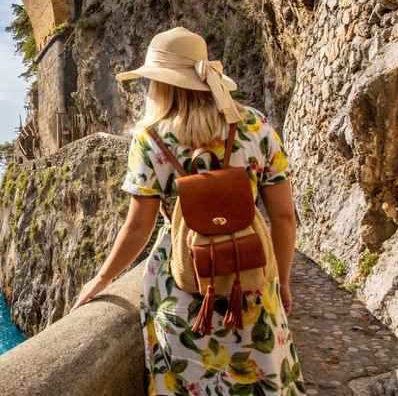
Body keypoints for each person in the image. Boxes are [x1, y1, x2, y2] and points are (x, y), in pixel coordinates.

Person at [69, 27, 305, 395]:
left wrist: (102, 279)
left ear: (161, 84)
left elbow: (138, 228)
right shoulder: (257, 126)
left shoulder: (151, 139)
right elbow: (284, 217)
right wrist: (283, 281)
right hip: (253, 281)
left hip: (181, 287)